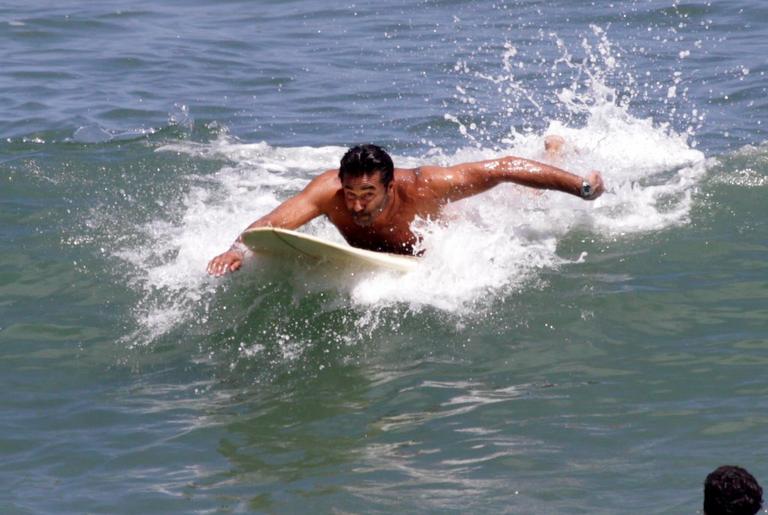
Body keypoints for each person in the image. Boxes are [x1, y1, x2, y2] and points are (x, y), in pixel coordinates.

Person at [207, 139, 604, 276]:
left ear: (390, 186)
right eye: (350, 194)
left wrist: (582, 188)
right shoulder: (329, 192)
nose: (357, 205)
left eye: (368, 194)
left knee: (521, 198)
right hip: (385, 254)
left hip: (440, 239)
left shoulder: (426, 186)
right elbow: (275, 223)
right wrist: (236, 249)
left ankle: (555, 151)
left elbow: (502, 169)